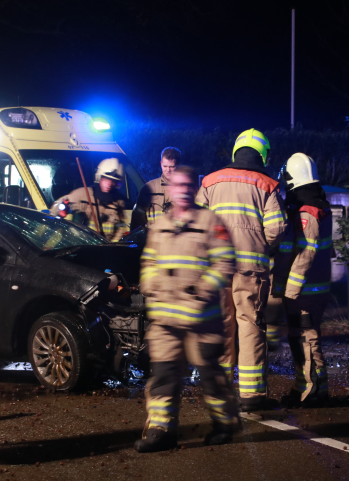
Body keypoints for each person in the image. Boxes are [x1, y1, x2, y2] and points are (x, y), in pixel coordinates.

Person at [136, 165, 239, 452]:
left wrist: (201, 289)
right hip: (165, 322)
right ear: (168, 189)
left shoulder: (210, 222)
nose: (182, 190)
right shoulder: (159, 226)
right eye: (176, 185)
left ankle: (225, 423)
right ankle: (161, 431)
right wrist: (150, 287)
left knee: (212, 379)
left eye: (187, 185)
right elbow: (149, 264)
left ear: (195, 189)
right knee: (163, 378)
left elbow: (224, 264)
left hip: (202, 322)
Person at [196, 129, 288, 411]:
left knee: (221, 326)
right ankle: (251, 395)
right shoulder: (267, 184)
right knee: (249, 325)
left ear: (236, 151)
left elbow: (195, 222)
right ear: (263, 155)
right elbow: (276, 229)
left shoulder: (210, 181)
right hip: (250, 268)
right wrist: (263, 246)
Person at [273, 153, 332, 407]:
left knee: (305, 338)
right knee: (306, 336)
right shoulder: (317, 206)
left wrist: (291, 289)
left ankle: (309, 391)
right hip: (313, 288)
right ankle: (314, 386)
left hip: (305, 291)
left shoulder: (307, 212)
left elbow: (306, 253)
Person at [50, 158, 128, 241]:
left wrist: (113, 245)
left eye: (113, 181)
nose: (109, 183)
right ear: (99, 177)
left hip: (104, 249)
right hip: (80, 246)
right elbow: (56, 208)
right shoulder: (82, 194)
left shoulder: (119, 202)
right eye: (106, 178)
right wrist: (63, 210)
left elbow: (120, 228)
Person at [131, 146, 181, 230]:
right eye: (165, 166)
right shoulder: (149, 189)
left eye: (172, 166)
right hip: (154, 240)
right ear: (161, 163)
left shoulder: (186, 189)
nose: (168, 170)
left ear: (179, 165)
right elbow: (137, 222)